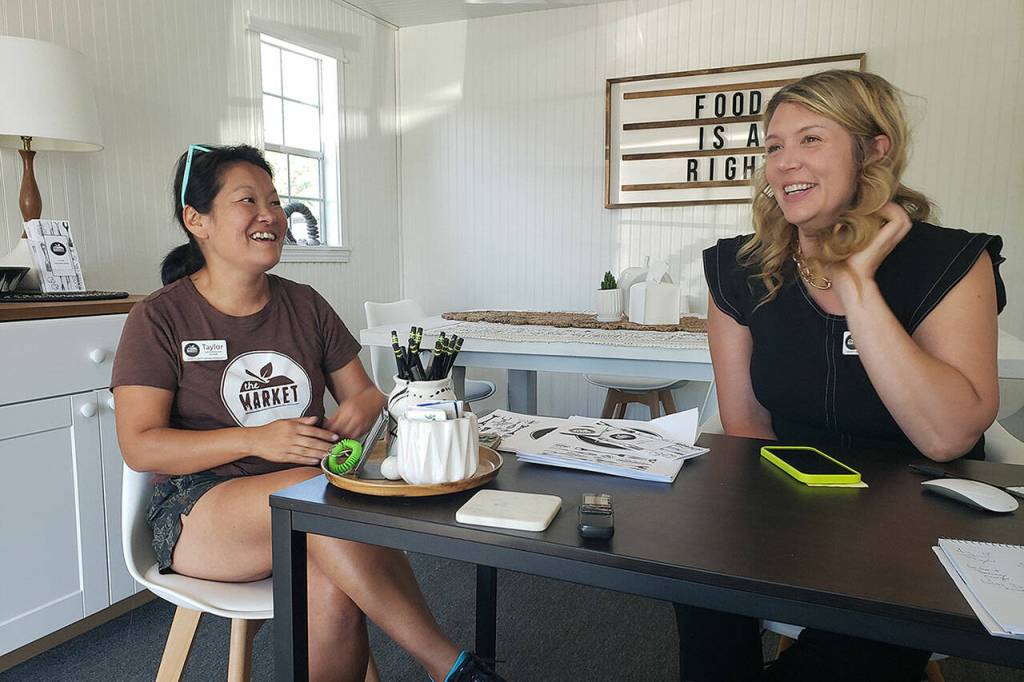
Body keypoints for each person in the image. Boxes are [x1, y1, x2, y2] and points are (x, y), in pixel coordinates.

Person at [112, 144, 503, 682]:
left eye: (273, 200)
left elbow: (364, 396)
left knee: (328, 569)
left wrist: (358, 413)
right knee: (321, 504)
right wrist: (255, 440)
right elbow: (141, 444)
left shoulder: (305, 304)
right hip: (198, 511)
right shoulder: (159, 318)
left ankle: (455, 670)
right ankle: (451, 668)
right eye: (247, 200)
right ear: (196, 219)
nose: (269, 214)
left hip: (312, 502)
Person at [676, 70, 1006, 681]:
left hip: (921, 516)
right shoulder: (738, 269)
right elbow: (746, 427)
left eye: (810, 139)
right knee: (699, 581)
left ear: (874, 149)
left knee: (859, 641)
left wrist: (858, 285)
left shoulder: (952, 261)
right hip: (790, 499)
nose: (784, 163)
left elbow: (947, 437)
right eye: (773, 146)